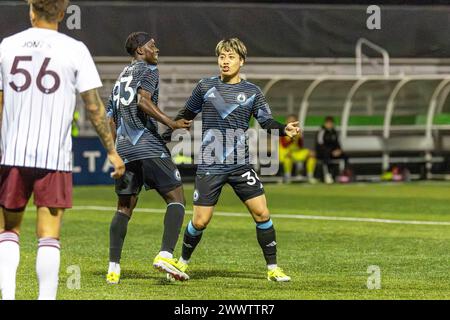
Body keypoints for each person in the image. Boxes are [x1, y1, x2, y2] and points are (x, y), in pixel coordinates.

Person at [0, 0, 125, 300]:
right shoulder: (74, 49)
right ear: (61, 13)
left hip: (11, 153)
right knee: (49, 234)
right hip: (54, 158)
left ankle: (8, 294)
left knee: (8, 231)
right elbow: (94, 107)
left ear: (31, 10)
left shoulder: (7, 45)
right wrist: (111, 150)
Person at [164, 38, 300, 282]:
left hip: (241, 164)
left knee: (262, 214)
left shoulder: (252, 92)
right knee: (200, 221)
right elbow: (186, 115)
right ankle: (181, 264)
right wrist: (165, 134)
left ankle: (273, 269)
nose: (225, 62)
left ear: (241, 61)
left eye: (230, 57)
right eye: (221, 57)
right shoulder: (205, 87)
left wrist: (284, 128)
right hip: (210, 164)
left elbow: (265, 121)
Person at [105, 32, 192, 284]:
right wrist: (171, 123)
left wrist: (114, 151)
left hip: (124, 149)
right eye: (153, 46)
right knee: (176, 196)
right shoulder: (149, 69)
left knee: (124, 207)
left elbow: (109, 118)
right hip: (145, 144)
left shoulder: (121, 77)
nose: (157, 49)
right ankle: (165, 254)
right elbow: (143, 101)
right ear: (141, 50)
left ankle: (113, 268)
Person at [279, 114, 317, 184]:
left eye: (294, 121)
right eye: (290, 121)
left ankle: (310, 176)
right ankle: (288, 177)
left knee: (311, 155)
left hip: (295, 152)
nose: (292, 123)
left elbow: (300, 146)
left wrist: (299, 137)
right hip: (285, 152)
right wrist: (292, 137)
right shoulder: (283, 130)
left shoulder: (297, 131)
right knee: (287, 158)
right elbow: (284, 145)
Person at [315, 116, 349, 184]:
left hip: (333, 152)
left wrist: (339, 150)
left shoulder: (334, 132)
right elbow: (320, 144)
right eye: (328, 123)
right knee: (326, 155)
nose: (330, 125)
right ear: (325, 124)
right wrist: (331, 151)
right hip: (323, 153)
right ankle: (327, 175)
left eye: (331, 123)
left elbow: (337, 143)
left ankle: (343, 174)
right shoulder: (322, 131)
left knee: (345, 156)